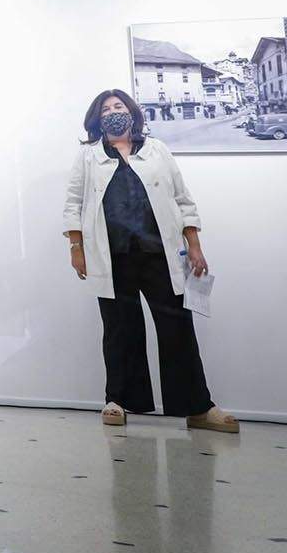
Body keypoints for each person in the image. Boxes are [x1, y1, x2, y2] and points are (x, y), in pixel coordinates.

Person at [62, 90, 238, 433]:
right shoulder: (87, 156)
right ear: (97, 119)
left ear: (131, 112)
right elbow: (73, 202)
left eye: (119, 106)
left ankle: (198, 407)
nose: (113, 112)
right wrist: (76, 248)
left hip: (159, 252)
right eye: (106, 109)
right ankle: (118, 401)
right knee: (119, 330)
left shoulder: (157, 150)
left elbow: (183, 199)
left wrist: (195, 244)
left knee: (177, 329)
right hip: (112, 256)